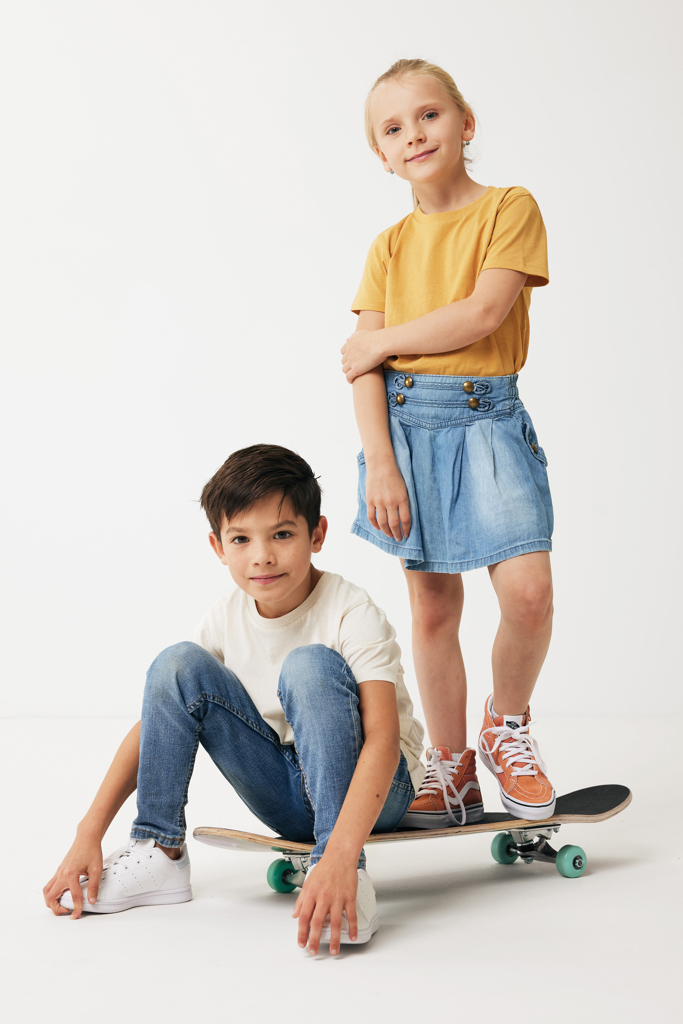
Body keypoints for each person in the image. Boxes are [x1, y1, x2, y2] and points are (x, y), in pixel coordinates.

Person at [43, 444, 425, 956]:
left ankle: (342, 873)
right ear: (218, 546)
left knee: (308, 666)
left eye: (282, 535)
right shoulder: (225, 617)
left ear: (317, 534)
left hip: (378, 788)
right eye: (241, 538)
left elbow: (381, 739)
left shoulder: (350, 610)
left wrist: (339, 855)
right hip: (287, 792)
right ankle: (159, 850)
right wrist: (87, 833)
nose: (261, 556)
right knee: (178, 664)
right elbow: (159, 721)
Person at [342, 58, 556, 829]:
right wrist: (380, 463)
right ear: (382, 155)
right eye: (393, 128)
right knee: (432, 610)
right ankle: (452, 766)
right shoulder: (387, 247)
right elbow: (362, 370)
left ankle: (505, 725)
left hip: (487, 420)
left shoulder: (508, 207)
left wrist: (381, 340)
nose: (414, 134)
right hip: (408, 429)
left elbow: (481, 314)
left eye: (428, 115)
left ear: (465, 124)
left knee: (527, 594)